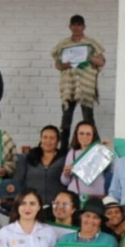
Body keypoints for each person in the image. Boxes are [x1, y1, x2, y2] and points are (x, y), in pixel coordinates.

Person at [51, 14, 107, 150]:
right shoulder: (63, 44)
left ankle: (94, 148)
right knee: (66, 119)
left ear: (83, 27)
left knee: (88, 118)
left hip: (85, 85)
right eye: (74, 25)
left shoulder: (91, 43)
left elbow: (101, 61)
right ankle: (63, 150)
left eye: (79, 25)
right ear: (70, 27)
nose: (77, 27)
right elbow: (57, 64)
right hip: (69, 85)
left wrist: (88, 57)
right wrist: (63, 65)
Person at [14, 125, 66, 206]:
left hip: (57, 206)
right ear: (41, 139)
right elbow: (18, 181)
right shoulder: (29, 158)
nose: (48, 141)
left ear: (57, 141)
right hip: (32, 205)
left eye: (52, 138)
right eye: (45, 137)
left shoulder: (64, 159)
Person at [60, 121, 109, 198]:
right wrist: (65, 173)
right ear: (76, 135)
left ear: (94, 135)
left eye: (88, 134)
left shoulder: (101, 151)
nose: (85, 136)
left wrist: (109, 151)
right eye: (81, 133)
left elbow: (113, 170)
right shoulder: (72, 153)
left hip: (96, 197)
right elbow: (65, 182)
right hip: (76, 197)